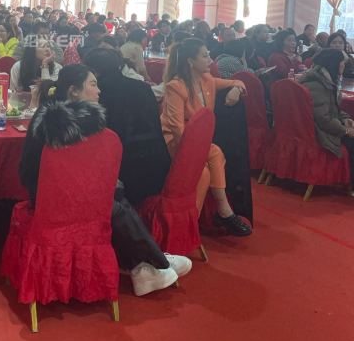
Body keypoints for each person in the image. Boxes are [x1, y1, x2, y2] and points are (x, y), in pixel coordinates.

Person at [19, 64, 191, 295]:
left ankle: (143, 268)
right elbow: (40, 171)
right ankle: (157, 261)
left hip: (72, 190)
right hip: (49, 195)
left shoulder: (61, 116)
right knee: (111, 204)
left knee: (112, 198)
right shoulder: (61, 123)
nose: (99, 90)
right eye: (93, 84)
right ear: (73, 91)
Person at [161, 38, 252, 235]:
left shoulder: (207, 80)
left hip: (199, 141)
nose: (211, 59)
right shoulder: (176, 86)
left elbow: (238, 81)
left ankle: (213, 215)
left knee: (214, 154)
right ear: (190, 61)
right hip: (177, 141)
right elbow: (176, 128)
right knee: (207, 164)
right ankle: (217, 214)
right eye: (205, 56)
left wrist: (236, 90)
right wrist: (195, 151)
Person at [83, 47, 171, 204]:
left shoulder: (98, 94)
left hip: (123, 178)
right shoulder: (143, 87)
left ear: (93, 72)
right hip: (159, 168)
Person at [299, 49, 354, 194]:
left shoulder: (324, 80)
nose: (344, 67)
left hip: (322, 126)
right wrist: (345, 131)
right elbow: (323, 119)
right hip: (319, 132)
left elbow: (333, 108)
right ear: (334, 64)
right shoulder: (317, 85)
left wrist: (346, 119)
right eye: (342, 64)